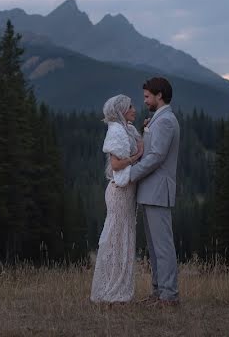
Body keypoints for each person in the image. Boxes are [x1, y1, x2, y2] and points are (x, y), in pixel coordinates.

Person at [130, 76, 181, 306]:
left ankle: (169, 295)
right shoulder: (157, 120)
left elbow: (156, 157)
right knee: (154, 247)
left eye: (147, 96)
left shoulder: (166, 121)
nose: (145, 101)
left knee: (163, 247)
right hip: (151, 191)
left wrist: (131, 174)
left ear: (160, 95)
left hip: (158, 191)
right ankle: (159, 292)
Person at [90, 94, 144, 304]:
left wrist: (145, 131)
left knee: (122, 238)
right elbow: (116, 165)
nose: (134, 109)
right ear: (121, 110)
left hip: (126, 192)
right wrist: (136, 157)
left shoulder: (127, 129)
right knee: (116, 239)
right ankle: (111, 291)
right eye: (130, 106)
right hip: (119, 193)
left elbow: (138, 144)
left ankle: (117, 290)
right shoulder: (116, 131)